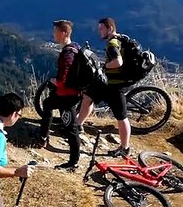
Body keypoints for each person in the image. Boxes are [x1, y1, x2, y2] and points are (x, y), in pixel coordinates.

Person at [76, 17, 131, 156]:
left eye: (101, 28)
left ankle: (125, 148)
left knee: (121, 116)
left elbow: (118, 62)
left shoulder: (112, 43)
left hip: (115, 85)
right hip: (108, 82)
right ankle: (77, 125)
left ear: (110, 29)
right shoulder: (120, 38)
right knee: (88, 97)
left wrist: (104, 66)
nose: (99, 31)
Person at [38, 19, 85, 171]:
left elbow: (62, 80)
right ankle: (43, 137)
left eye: (56, 31)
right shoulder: (75, 47)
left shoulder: (67, 54)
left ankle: (73, 162)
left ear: (64, 33)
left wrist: (52, 80)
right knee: (47, 104)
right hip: (64, 94)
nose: (53, 34)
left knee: (71, 129)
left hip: (67, 97)